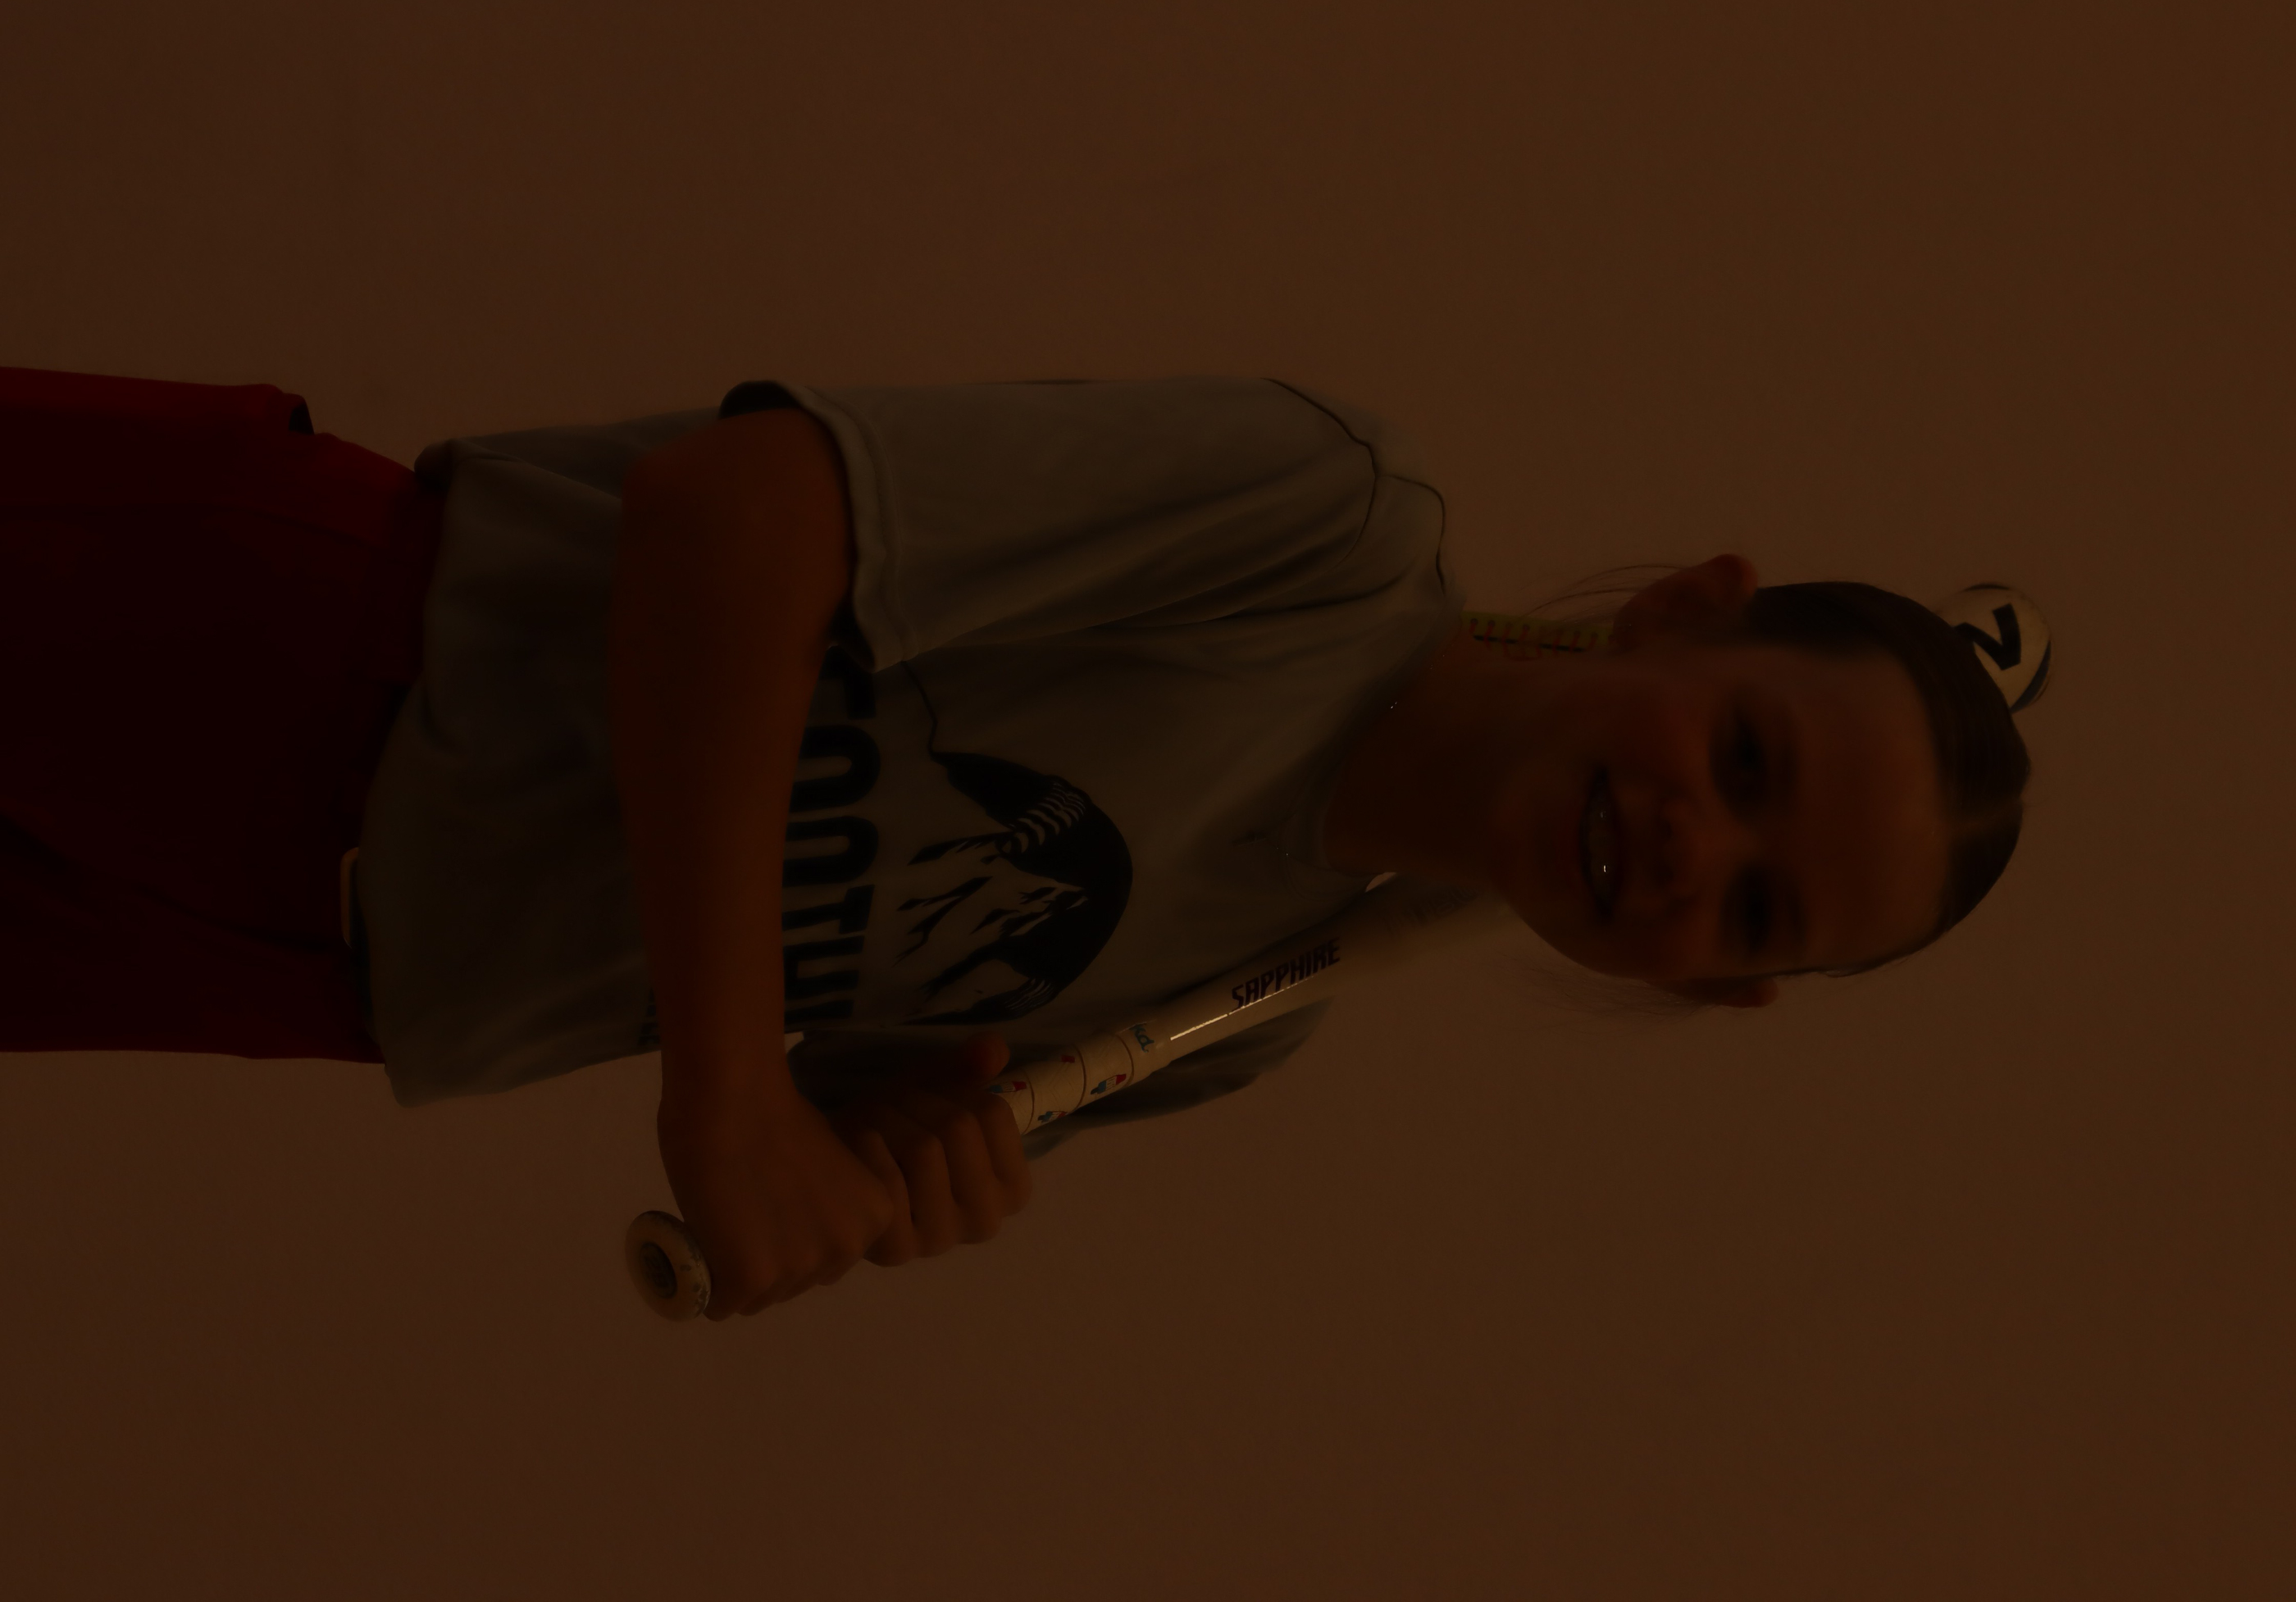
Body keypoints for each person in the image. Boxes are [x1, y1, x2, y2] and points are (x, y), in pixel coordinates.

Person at [0, 366, 2029, 1320]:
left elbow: (764, 1027)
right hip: (295, 643)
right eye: (1744, 755)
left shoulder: (1245, 1018)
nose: (1690, 845)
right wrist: (730, 1092)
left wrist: (857, 1146)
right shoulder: (1328, 525)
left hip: (324, 972)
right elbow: (732, 514)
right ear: (1680, 612)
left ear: (1722, 987)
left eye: (1755, 903)